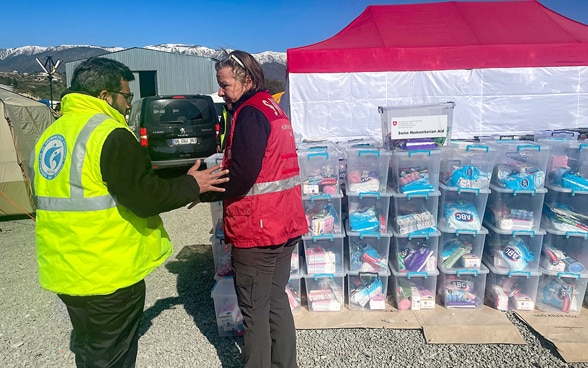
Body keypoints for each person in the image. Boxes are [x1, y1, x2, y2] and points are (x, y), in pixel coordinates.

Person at [31, 57, 229, 368]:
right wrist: (193, 184)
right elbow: (145, 197)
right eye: (126, 96)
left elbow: (107, 184)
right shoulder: (109, 133)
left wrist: (179, 180)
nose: (128, 105)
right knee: (112, 357)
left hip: (64, 268)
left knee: (90, 348)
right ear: (104, 96)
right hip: (105, 271)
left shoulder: (53, 134)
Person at [200, 50, 307, 368]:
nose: (220, 91)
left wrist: (204, 189)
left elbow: (243, 176)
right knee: (275, 302)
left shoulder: (248, 113)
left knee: (255, 313)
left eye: (224, 84)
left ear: (246, 79)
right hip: (284, 225)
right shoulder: (272, 107)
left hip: (258, 231)